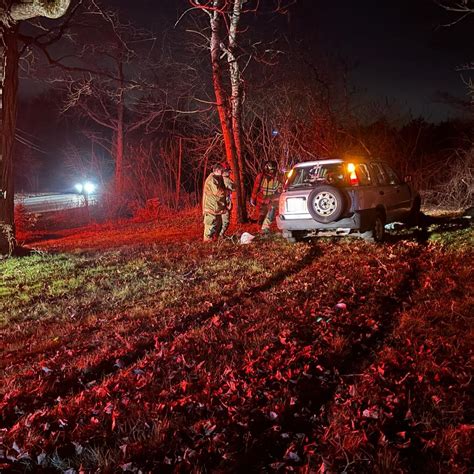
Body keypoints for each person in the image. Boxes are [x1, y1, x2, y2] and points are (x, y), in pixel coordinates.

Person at [250, 160, 282, 233]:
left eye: (273, 170)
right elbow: (255, 188)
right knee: (262, 214)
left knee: (271, 212)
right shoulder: (260, 177)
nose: (272, 172)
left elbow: (279, 189)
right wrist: (253, 198)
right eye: (270, 170)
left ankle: (265, 228)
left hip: (272, 199)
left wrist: (278, 194)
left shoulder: (278, 178)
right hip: (261, 199)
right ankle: (259, 229)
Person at [202, 163, 227, 242]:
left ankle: (214, 242)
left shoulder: (218, 177)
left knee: (217, 226)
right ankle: (207, 244)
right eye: (222, 170)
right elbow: (218, 192)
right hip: (211, 208)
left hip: (216, 208)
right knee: (210, 227)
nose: (223, 171)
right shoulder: (212, 179)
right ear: (217, 170)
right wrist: (228, 192)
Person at [220, 162, 235, 238]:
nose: (229, 172)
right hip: (224, 204)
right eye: (228, 170)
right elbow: (234, 187)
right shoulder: (226, 180)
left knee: (220, 221)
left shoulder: (219, 179)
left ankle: (219, 235)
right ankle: (220, 235)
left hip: (222, 204)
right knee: (225, 221)